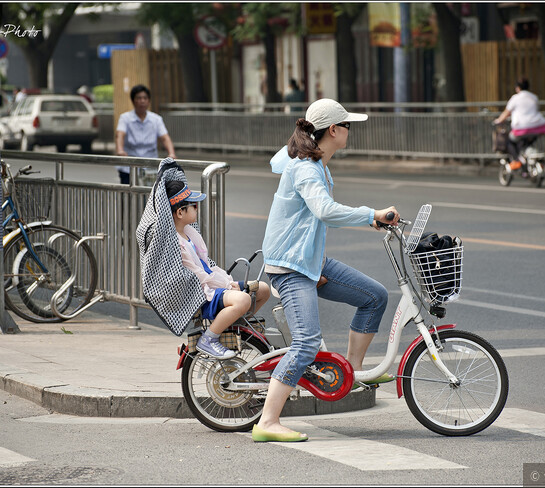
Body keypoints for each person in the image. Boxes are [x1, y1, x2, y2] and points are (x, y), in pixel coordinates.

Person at [252, 98, 400, 443]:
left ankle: (352, 369)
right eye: (347, 125)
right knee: (304, 343)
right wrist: (371, 215)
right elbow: (324, 210)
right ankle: (268, 422)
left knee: (374, 296)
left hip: (310, 261)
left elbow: (278, 160)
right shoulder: (306, 167)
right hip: (290, 267)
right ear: (333, 130)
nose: (350, 130)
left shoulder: (310, 160)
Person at [166, 179, 271, 360]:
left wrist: (229, 283)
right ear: (180, 212)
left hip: (214, 285)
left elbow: (208, 265)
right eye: (193, 205)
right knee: (243, 300)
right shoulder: (177, 243)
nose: (197, 208)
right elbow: (198, 277)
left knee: (263, 289)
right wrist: (228, 286)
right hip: (203, 294)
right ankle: (209, 339)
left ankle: (229, 328)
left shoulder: (189, 232)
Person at [115, 84, 176, 184]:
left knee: (149, 196)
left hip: (150, 167)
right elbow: (120, 135)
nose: (142, 101)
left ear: (148, 101)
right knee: (128, 196)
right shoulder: (125, 118)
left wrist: (171, 153)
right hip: (129, 166)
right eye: (139, 98)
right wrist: (120, 150)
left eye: (145, 98)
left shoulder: (156, 119)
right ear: (133, 100)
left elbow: (165, 138)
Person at [493, 77, 545, 175]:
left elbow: (506, 113)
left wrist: (498, 120)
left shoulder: (515, 98)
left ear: (517, 88)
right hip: (539, 127)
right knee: (526, 143)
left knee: (510, 141)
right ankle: (527, 162)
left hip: (522, 128)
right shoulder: (534, 97)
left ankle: (516, 161)